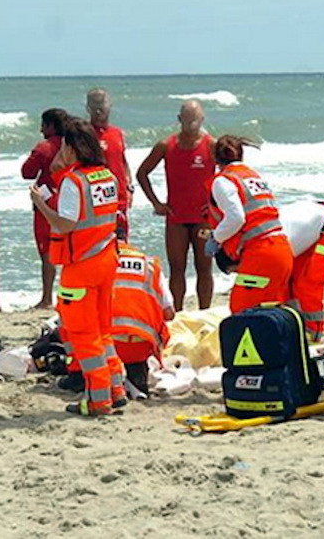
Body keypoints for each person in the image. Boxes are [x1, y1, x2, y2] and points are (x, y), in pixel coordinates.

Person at [29, 117, 126, 416]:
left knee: (83, 335)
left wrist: (41, 204)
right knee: (102, 330)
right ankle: (116, 388)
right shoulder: (105, 176)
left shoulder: (75, 181)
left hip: (81, 265)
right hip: (106, 259)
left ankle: (98, 400)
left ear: (71, 147)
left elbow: (65, 222)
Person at [136, 99, 215, 310]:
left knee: (204, 268)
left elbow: (229, 175)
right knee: (177, 269)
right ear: (179, 119)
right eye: (187, 120)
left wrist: (216, 205)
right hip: (176, 218)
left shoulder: (211, 145)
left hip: (203, 219)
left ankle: (204, 312)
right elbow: (142, 173)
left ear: (202, 119)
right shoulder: (166, 145)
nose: (191, 125)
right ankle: (178, 312)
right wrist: (156, 203)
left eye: (195, 121)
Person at [205, 135, 293, 314]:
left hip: (262, 253)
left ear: (215, 159)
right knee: (269, 311)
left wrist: (216, 237)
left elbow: (236, 218)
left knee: (242, 311)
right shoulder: (252, 177)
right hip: (281, 249)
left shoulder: (223, 181)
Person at [112, 232, 175, 396]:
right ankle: (137, 379)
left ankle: (81, 377)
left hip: (107, 344)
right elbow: (169, 314)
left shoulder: (96, 263)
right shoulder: (150, 265)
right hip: (142, 342)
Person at [278, 200, 324, 343]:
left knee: (309, 285)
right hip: (308, 227)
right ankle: (296, 328)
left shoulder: (269, 249)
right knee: (288, 282)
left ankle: (314, 334)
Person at [21, 108, 67, 309]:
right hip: (70, 198)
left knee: (47, 250)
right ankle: (64, 296)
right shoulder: (72, 146)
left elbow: (27, 172)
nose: (41, 129)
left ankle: (47, 297)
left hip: (47, 203)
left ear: (51, 126)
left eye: (43, 124)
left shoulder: (44, 147)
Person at [87, 88, 133, 237]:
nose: (99, 112)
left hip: (120, 202)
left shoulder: (117, 133)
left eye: (102, 108)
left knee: (121, 246)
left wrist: (129, 187)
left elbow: (123, 162)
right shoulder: (84, 134)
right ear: (88, 109)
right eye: (94, 108)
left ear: (109, 106)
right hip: (97, 203)